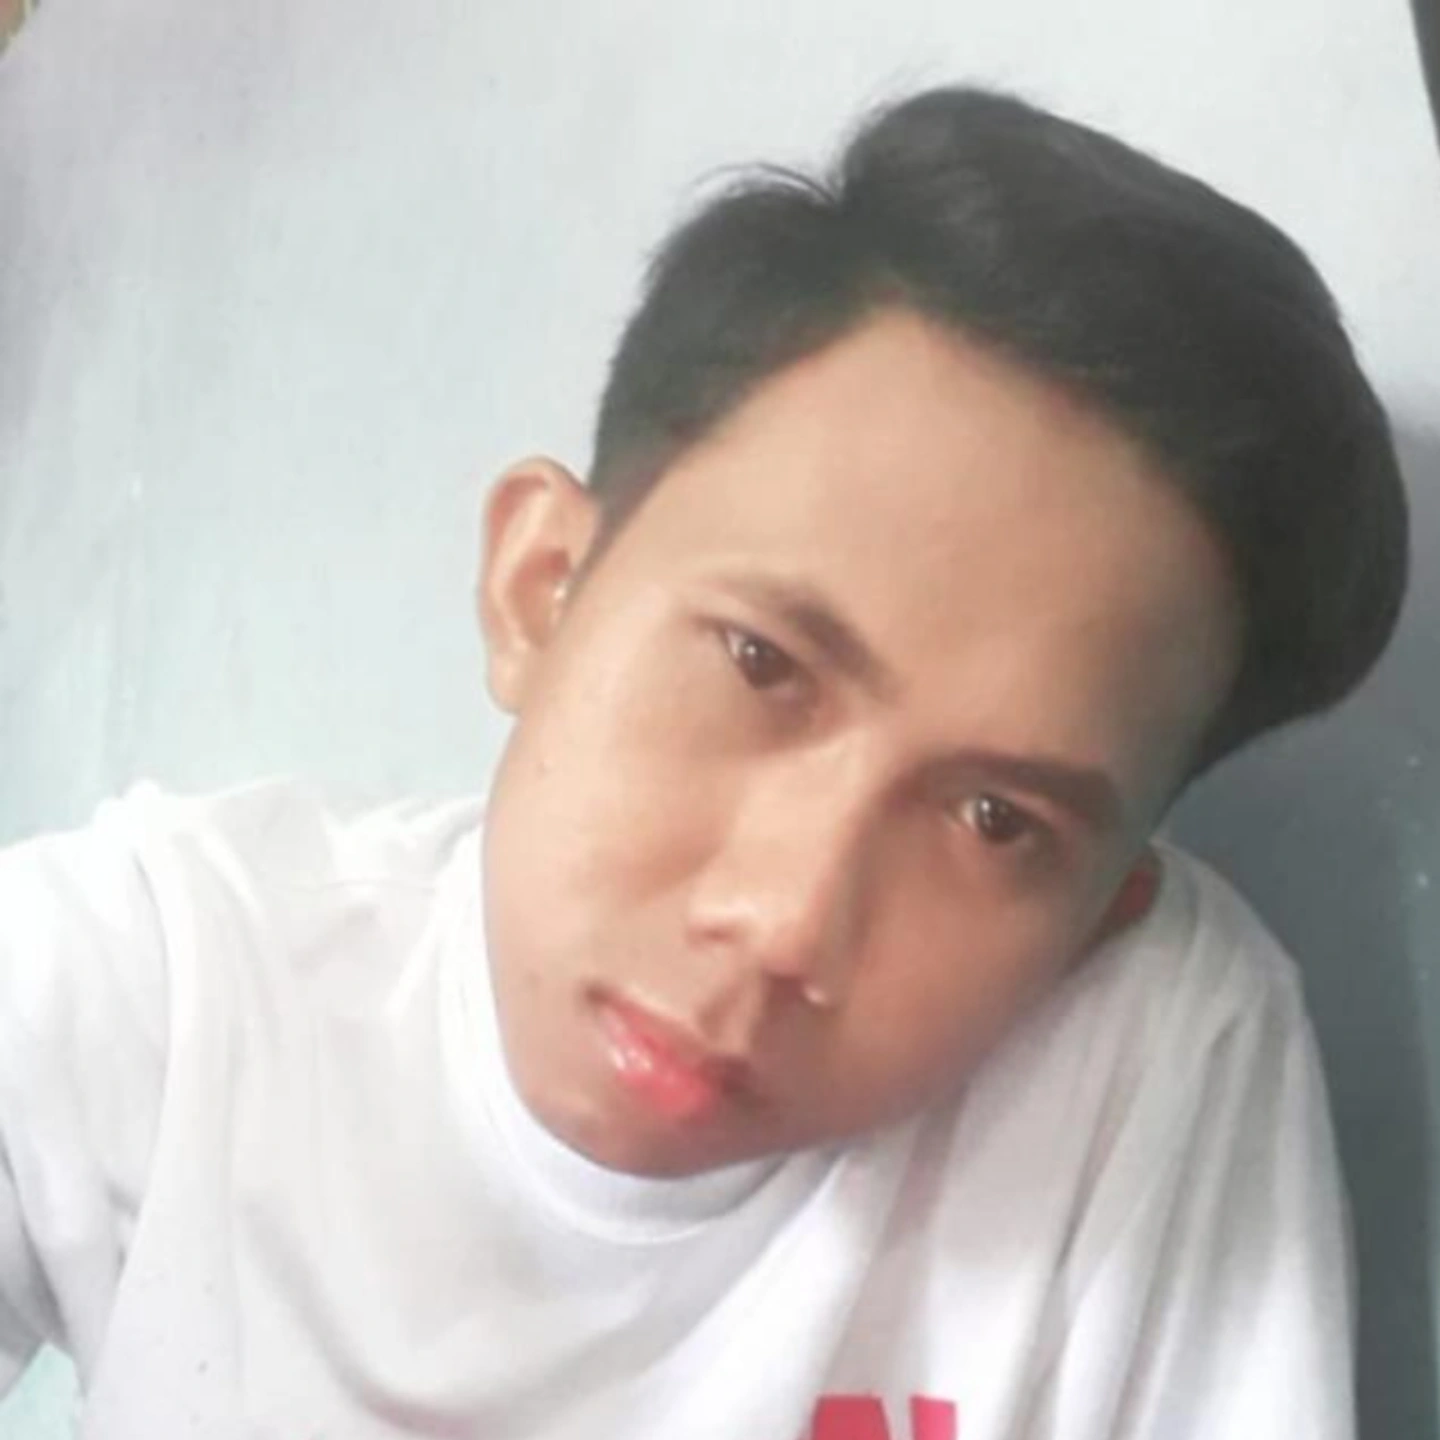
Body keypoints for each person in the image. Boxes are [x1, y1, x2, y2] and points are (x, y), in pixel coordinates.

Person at [0, 86, 1407, 1440]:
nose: (786, 925)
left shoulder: (1148, 1050)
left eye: (994, 820)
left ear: (1101, 916)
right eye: (760, 664)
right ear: (540, 587)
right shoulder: (165, 983)